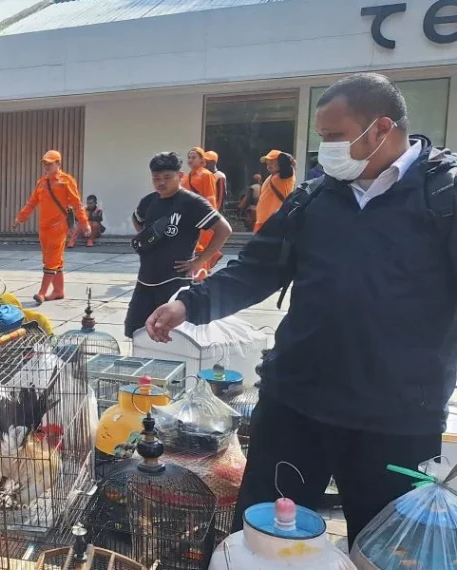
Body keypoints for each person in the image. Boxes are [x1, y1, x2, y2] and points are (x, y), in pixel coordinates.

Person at [144, 73, 456, 546]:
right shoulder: (315, 197)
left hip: (396, 416)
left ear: (380, 129)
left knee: (386, 548)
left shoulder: (444, 197)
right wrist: (188, 303)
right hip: (297, 402)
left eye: (333, 137)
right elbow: (256, 268)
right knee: (264, 535)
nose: (324, 149)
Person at [125, 152, 231, 338]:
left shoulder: (192, 203)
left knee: (170, 335)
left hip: (174, 281)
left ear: (180, 176)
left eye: (167, 177)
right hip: (145, 280)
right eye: (156, 178)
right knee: (135, 330)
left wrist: (200, 261)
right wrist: (147, 238)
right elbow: (137, 219)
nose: (161, 183)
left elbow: (224, 229)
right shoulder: (149, 201)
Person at [12, 150, 91, 304]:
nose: (46, 166)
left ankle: (42, 293)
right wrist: (20, 218)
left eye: (50, 163)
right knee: (53, 260)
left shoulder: (67, 181)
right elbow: (32, 202)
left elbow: (77, 204)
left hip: (59, 227)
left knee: (51, 261)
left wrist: (84, 223)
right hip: (44, 227)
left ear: (58, 164)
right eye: (45, 163)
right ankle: (58, 291)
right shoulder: (41, 182)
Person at [182, 147, 220, 273]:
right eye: (189, 157)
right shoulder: (186, 177)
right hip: (188, 218)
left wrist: (211, 220)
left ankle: (201, 273)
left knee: (202, 247)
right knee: (193, 246)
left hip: (202, 217)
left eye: (194, 157)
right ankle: (197, 272)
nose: (190, 160)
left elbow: (211, 198)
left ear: (201, 160)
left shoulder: (206, 175)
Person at [255, 150, 296, 232]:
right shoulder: (272, 177)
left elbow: (288, 166)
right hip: (263, 221)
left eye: (272, 162)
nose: (269, 165)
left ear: (281, 163)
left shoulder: (284, 177)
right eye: (268, 162)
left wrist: (286, 158)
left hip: (273, 222)